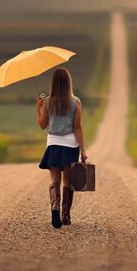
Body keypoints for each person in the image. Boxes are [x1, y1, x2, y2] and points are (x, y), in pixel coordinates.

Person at [36, 68, 88, 229]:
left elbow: (42, 125)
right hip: (70, 145)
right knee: (68, 181)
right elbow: (77, 128)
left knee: (54, 180)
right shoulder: (76, 102)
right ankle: (66, 215)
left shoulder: (47, 101)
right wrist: (83, 150)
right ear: (68, 83)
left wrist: (38, 107)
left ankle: (55, 207)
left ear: (54, 83)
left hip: (53, 145)